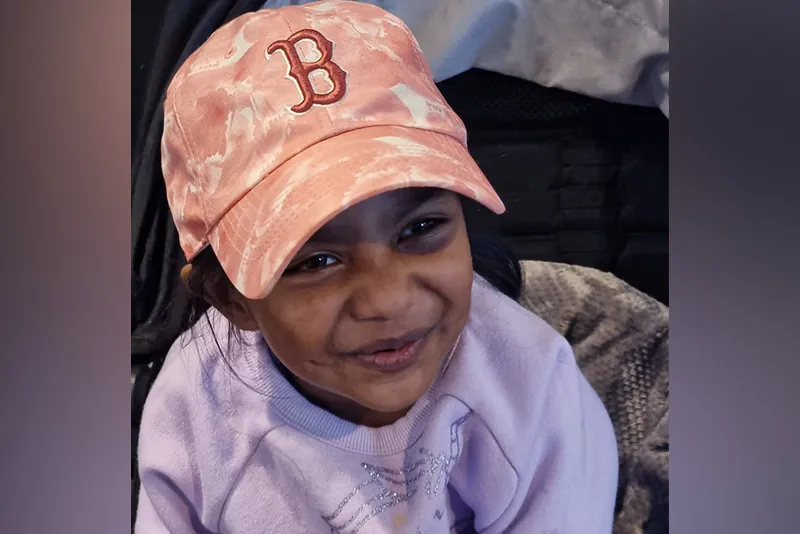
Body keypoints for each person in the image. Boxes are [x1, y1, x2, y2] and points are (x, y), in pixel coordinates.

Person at [135, 1, 618, 532]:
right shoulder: (195, 419)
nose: (388, 300)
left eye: (418, 229)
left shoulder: (530, 388)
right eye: (316, 260)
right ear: (233, 301)